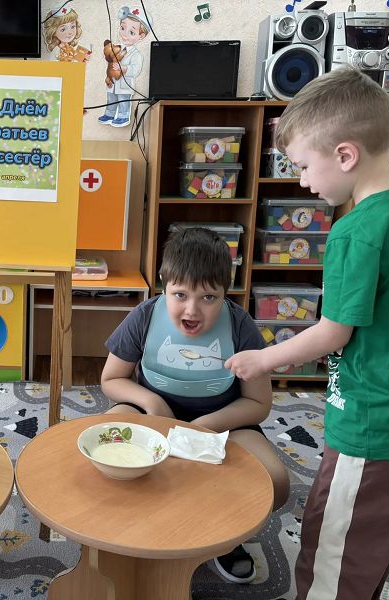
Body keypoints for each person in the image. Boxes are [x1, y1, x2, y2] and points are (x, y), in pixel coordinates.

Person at [225, 68, 389, 599]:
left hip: (375, 415)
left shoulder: (357, 230)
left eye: (305, 166)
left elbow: (333, 333)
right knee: (370, 540)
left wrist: (262, 359)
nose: (302, 181)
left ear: (346, 155)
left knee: (333, 544)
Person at [102, 227, 290, 584]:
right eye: (180, 294)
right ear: (163, 286)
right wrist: (152, 402)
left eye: (208, 297)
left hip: (226, 422)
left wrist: (205, 425)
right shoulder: (144, 316)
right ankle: (128, 521)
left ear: (225, 294)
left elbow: (257, 402)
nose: (192, 309)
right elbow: (111, 379)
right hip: (152, 415)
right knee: (107, 439)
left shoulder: (240, 325)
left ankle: (227, 535)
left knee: (276, 481)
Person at [98, 6, 149, 128]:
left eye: (131, 32)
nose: (125, 34)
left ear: (141, 36)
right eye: (122, 28)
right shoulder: (115, 48)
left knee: (123, 100)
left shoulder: (136, 54)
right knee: (111, 99)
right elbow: (110, 63)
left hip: (125, 85)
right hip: (112, 83)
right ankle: (109, 114)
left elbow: (136, 69)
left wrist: (125, 69)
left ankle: (123, 116)